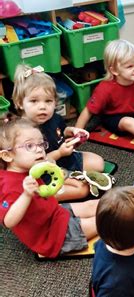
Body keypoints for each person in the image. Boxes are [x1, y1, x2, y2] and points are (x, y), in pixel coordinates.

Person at [0, 118, 98, 258]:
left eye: (41, 144)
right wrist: (26, 195)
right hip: (51, 236)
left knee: (92, 205)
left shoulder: (29, 168)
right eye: (30, 146)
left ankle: (124, 204)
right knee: (102, 222)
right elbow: (9, 221)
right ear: (7, 155)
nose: (39, 149)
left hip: (54, 212)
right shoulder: (9, 186)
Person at [12, 64, 105, 201]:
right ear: (20, 103)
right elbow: (34, 165)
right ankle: (40, 198)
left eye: (48, 101)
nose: (43, 106)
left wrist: (72, 131)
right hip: (44, 173)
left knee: (99, 163)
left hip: (64, 158)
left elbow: (62, 130)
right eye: (34, 101)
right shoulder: (23, 132)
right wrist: (59, 153)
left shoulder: (52, 117)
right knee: (81, 190)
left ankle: (70, 176)